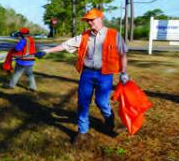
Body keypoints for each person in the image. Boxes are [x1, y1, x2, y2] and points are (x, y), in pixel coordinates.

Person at [35, 8, 129, 141]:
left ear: (100, 19)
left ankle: (109, 119)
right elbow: (65, 45)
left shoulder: (114, 34)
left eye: (92, 20)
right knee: (83, 102)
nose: (90, 23)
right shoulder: (84, 36)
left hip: (105, 74)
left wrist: (124, 72)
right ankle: (82, 131)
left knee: (102, 102)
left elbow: (123, 53)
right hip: (87, 74)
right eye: (88, 20)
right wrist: (46, 51)